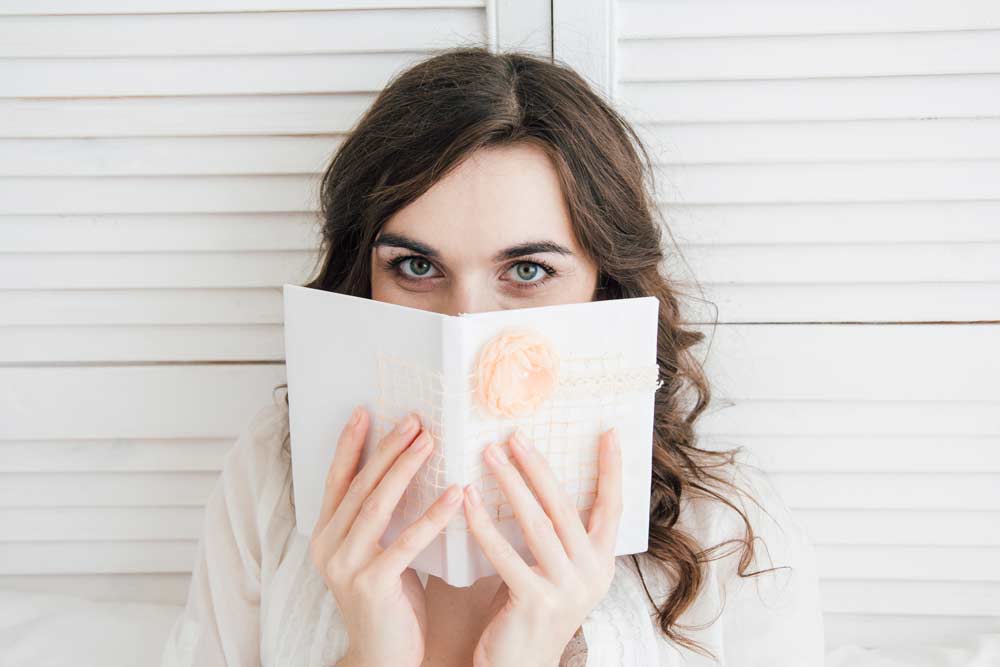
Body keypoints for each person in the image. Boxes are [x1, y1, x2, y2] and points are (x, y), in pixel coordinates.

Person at [160, 46, 825, 666]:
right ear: (364, 277)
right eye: (416, 265)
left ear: (606, 285)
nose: (465, 325)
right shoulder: (273, 481)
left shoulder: (730, 540)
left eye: (528, 271)